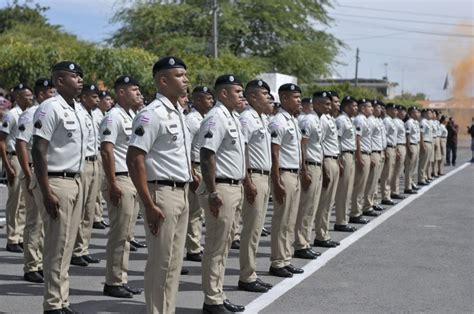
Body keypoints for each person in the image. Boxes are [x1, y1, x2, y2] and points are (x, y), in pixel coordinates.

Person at [127, 56, 192, 313]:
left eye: (185, 74)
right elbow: (134, 159)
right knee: (160, 262)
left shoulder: (178, 112)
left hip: (181, 192)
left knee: (174, 263)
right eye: (179, 75)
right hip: (162, 193)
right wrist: (149, 203)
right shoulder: (151, 114)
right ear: (163, 81)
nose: (185, 79)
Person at [31, 61, 88, 312]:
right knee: (57, 245)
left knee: (66, 245)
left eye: (80, 76)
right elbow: (38, 149)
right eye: (74, 76)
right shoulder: (49, 107)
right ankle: (53, 304)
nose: (80, 80)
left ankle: (62, 300)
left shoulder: (78, 109)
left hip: (75, 180)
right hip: (56, 181)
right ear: (59, 81)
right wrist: (46, 191)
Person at [197, 74, 246, 313]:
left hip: (234, 186)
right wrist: (213, 191)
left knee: (225, 245)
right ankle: (212, 300)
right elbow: (207, 155)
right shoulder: (216, 118)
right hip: (222, 188)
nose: (241, 96)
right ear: (224, 93)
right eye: (237, 91)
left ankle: (218, 293)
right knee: (216, 245)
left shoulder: (231, 117)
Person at [100, 75, 143, 299]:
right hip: (120, 179)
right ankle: (113, 281)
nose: (138, 93)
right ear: (121, 92)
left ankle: (120, 279)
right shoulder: (113, 117)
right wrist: (113, 182)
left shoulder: (132, 116)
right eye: (134, 90)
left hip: (131, 179)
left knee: (127, 233)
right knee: (119, 233)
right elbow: (107, 151)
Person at [236, 79, 274, 293]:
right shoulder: (247, 119)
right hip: (254, 178)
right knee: (251, 229)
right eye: (263, 94)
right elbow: (243, 151)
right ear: (252, 97)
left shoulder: (262, 118)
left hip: (264, 177)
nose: (268, 97)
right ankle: (247, 276)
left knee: (257, 228)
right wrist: (248, 181)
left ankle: (251, 273)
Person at [16, 78, 55, 283]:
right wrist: (28, 173)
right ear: (41, 95)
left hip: (46, 172)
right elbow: (21, 144)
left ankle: (39, 262)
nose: (53, 95)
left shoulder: (50, 112)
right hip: (33, 170)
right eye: (50, 92)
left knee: (45, 222)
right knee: (34, 221)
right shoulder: (31, 114)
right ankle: (31, 265)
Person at [268, 83, 303, 278]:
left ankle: (285, 258)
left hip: (294, 173)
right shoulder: (278, 121)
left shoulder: (291, 120)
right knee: (281, 220)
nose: (299, 100)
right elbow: (275, 153)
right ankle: (277, 262)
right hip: (284, 174)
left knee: (290, 220)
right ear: (284, 99)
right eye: (295, 97)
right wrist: (277, 180)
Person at [70, 84, 101, 267]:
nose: (96, 100)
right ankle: (75, 249)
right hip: (82, 164)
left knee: (89, 209)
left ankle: (82, 248)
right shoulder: (79, 112)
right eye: (93, 96)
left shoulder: (93, 114)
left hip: (94, 162)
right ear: (84, 97)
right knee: (79, 210)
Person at [1, 84, 32, 253]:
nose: (30, 98)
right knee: (15, 199)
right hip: (15, 158)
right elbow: (1, 141)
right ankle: (12, 238)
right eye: (26, 96)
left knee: (24, 201)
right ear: (18, 97)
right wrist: (7, 165)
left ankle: (19, 236)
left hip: (26, 158)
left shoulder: (29, 114)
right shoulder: (11, 115)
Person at [184, 85, 214, 262]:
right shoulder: (191, 120)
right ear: (197, 100)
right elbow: (185, 147)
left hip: (203, 168)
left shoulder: (205, 118)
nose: (211, 101)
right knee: (195, 210)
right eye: (207, 98)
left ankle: (195, 245)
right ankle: (193, 248)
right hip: (194, 167)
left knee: (199, 211)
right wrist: (190, 172)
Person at [333, 95, 358, 232]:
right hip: (344, 155)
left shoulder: (348, 120)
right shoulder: (341, 120)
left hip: (350, 155)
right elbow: (336, 140)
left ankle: (344, 219)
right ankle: (341, 221)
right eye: (353, 106)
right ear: (347, 107)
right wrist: (339, 159)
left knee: (348, 189)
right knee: (343, 190)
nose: (356, 108)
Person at [349, 99, 373, 225]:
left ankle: (358, 210)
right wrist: (358, 157)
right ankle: (355, 213)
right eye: (369, 107)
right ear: (363, 108)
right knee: (359, 186)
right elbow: (357, 138)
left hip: (366, 153)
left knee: (362, 185)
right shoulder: (359, 120)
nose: (372, 109)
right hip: (362, 154)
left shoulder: (364, 120)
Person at [92, 90, 114, 230]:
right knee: (96, 189)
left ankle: (98, 216)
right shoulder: (95, 115)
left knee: (98, 188)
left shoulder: (104, 115)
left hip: (100, 154)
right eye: (107, 99)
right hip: (97, 153)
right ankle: (96, 216)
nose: (110, 102)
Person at [362, 100, 384, 215]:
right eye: (376, 107)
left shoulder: (375, 120)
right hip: (372, 152)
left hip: (377, 151)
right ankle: (367, 205)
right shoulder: (369, 121)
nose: (379, 110)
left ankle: (372, 202)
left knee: (375, 181)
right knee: (370, 181)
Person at [380, 103, 398, 205]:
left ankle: (388, 194)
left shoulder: (390, 120)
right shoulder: (386, 121)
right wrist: (385, 150)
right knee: (386, 174)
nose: (396, 112)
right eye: (394, 110)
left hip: (393, 148)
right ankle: (385, 196)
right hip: (388, 148)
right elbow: (384, 136)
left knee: (390, 173)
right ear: (389, 110)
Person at [390, 105, 407, 200]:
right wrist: (396, 149)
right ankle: (394, 191)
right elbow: (394, 137)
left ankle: (395, 190)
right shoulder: (396, 122)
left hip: (402, 146)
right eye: (402, 111)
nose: (404, 113)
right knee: (396, 171)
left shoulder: (400, 121)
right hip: (398, 146)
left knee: (398, 171)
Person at [404, 106, 421, 194]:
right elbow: (407, 136)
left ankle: (412, 183)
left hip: (416, 144)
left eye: (418, 112)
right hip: (412, 145)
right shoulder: (409, 123)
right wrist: (409, 147)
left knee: (414, 166)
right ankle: (408, 187)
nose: (418, 114)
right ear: (411, 113)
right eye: (416, 112)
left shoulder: (416, 122)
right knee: (409, 167)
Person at [418, 109, 433, 185]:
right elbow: (421, 133)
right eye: (429, 113)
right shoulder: (423, 122)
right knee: (423, 162)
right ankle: (421, 179)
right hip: (425, 143)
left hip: (429, 142)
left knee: (426, 162)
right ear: (424, 114)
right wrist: (422, 144)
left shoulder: (428, 122)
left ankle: (424, 177)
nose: (431, 114)